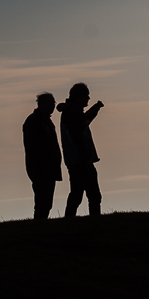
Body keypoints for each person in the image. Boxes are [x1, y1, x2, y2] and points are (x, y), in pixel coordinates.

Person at [57, 82, 104, 217]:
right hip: (80, 160)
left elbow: (83, 121)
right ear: (79, 97)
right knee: (92, 194)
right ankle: (93, 220)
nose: (88, 98)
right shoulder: (72, 113)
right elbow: (78, 131)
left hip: (76, 160)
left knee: (78, 194)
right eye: (86, 96)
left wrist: (95, 108)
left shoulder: (71, 112)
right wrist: (84, 154)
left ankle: (70, 220)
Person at [22, 92, 62, 220]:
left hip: (48, 168)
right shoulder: (33, 121)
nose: (53, 106)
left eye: (53, 103)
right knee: (42, 201)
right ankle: (39, 225)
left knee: (46, 202)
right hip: (40, 168)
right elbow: (33, 147)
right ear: (42, 104)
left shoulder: (45, 121)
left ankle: (40, 224)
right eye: (50, 103)